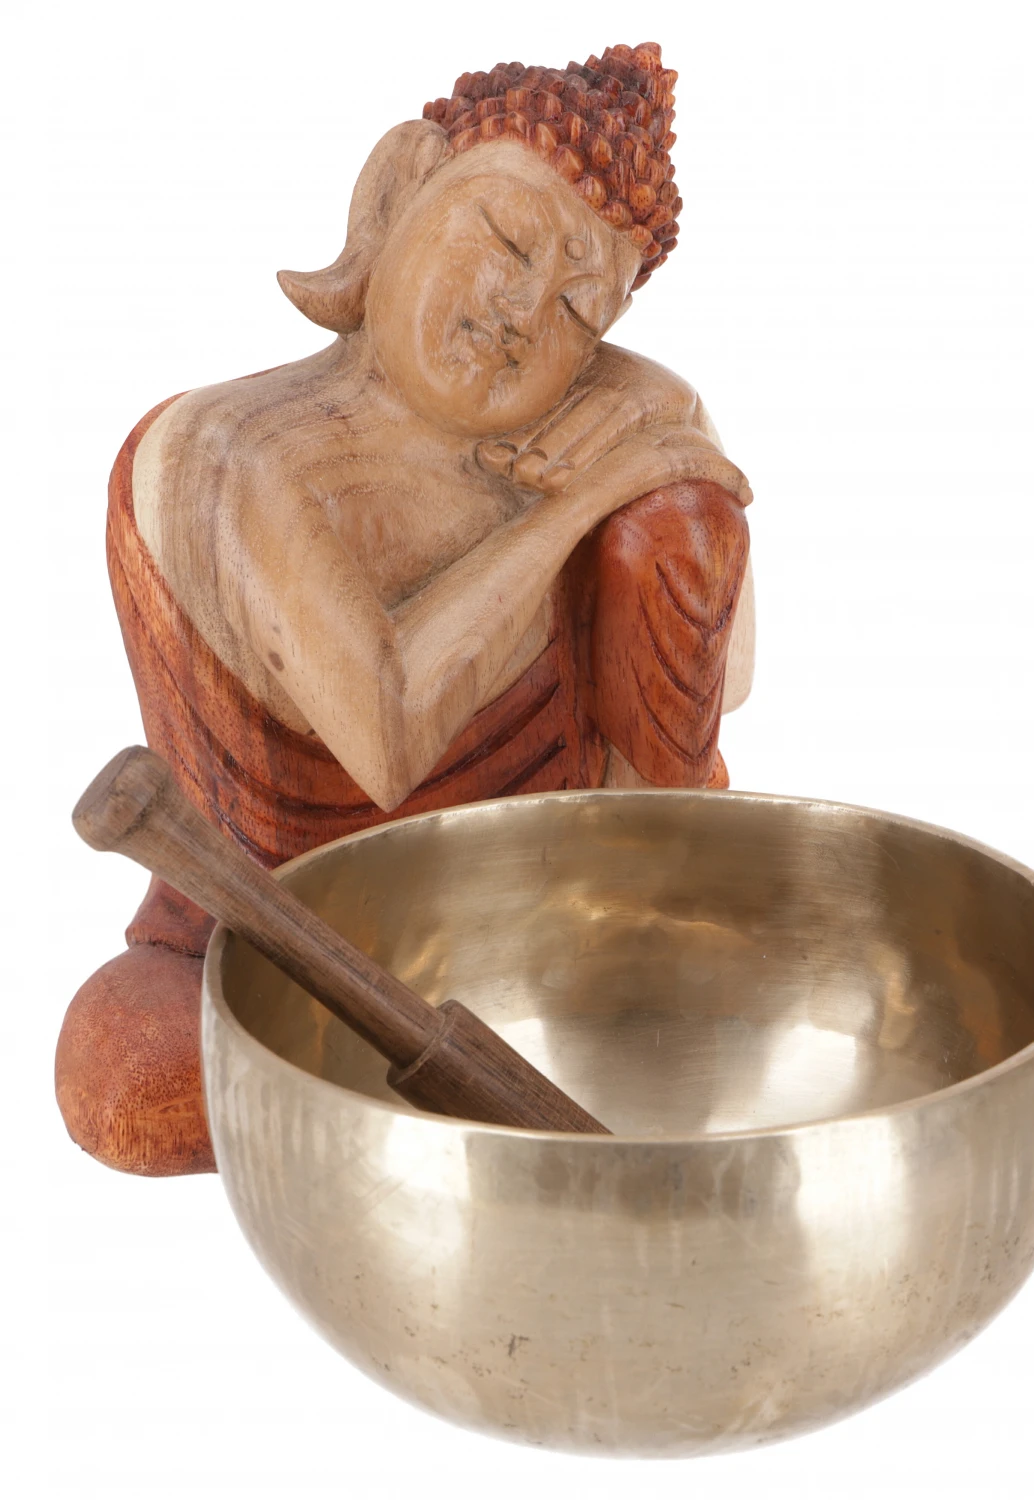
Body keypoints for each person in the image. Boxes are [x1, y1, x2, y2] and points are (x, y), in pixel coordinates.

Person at [56, 43, 755, 1175]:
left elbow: (734, 680)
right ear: (400, 185)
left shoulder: (605, 425)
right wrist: (576, 505)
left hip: (554, 922)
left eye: (581, 310)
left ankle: (615, 999)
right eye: (509, 240)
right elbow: (386, 739)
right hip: (269, 941)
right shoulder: (232, 452)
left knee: (681, 518)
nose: (523, 310)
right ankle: (435, 1111)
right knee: (123, 1076)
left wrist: (670, 434)